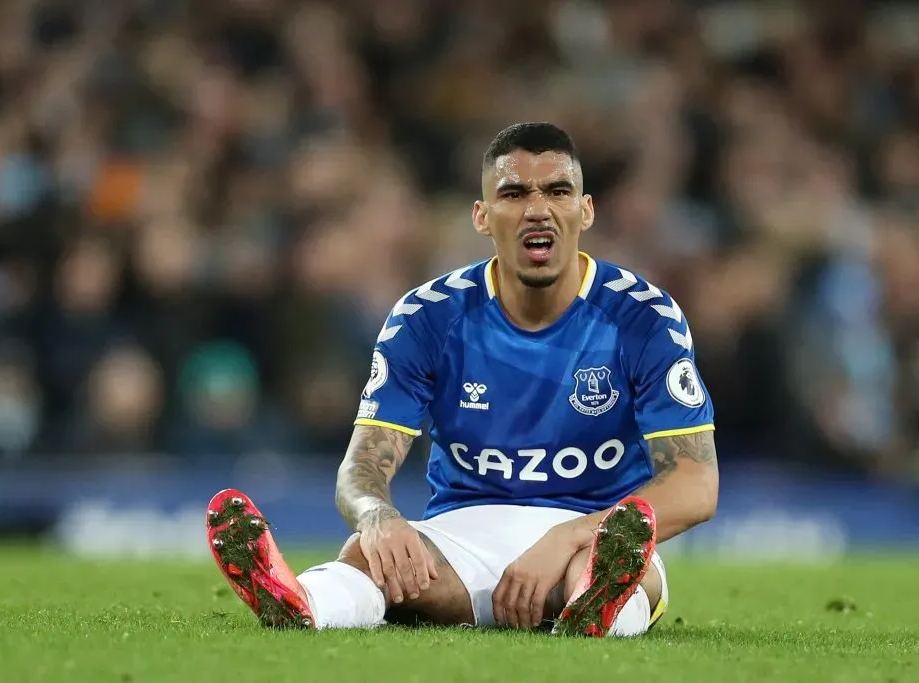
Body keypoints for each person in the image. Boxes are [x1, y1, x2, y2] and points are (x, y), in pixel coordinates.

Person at [207, 122, 719, 636]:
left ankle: (592, 603)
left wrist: (569, 536)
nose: (537, 208)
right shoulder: (427, 316)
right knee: (368, 555)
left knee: (594, 574)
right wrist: (378, 517)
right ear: (482, 216)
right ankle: (301, 602)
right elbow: (360, 468)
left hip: (594, 531)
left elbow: (696, 484)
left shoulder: (643, 318)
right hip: (465, 532)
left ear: (584, 210)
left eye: (557, 191)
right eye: (513, 193)